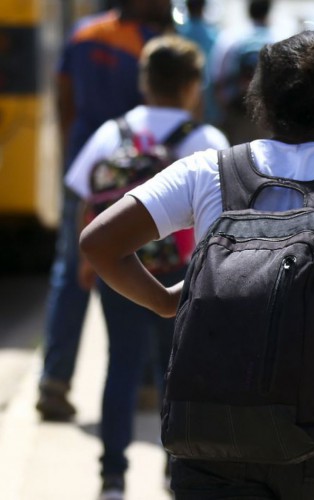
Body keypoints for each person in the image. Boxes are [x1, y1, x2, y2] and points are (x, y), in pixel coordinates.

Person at [79, 30, 314, 498]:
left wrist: (168, 302)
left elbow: (99, 242)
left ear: (260, 99)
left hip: (206, 432)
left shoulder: (207, 170)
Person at [64, 35, 229, 499]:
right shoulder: (205, 140)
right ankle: (175, 472)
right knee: (176, 375)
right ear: (193, 85)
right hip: (183, 276)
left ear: (144, 82)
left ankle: (112, 477)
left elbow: (87, 199)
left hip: (119, 270)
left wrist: (86, 261)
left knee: (120, 366)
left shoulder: (111, 132)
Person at [37, 0, 173, 422]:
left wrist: (73, 159)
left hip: (84, 172)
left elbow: (63, 101)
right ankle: (147, 384)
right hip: (133, 180)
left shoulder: (83, 33)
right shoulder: (151, 43)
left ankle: (54, 381)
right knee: (147, 267)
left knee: (70, 272)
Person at [210, 0, 274, 145]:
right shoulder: (277, 38)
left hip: (235, 111)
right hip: (264, 114)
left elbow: (216, 77)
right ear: (268, 12)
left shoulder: (230, 37)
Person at [176, 0, 220, 123]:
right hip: (209, 101)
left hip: (182, 97)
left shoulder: (178, 32)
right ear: (203, 7)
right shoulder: (213, 34)